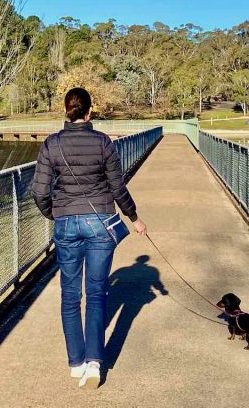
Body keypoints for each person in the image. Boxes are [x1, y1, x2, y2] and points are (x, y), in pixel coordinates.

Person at [31, 87, 148, 389]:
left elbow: (39, 191)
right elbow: (117, 187)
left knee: (70, 296)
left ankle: (76, 362)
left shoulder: (51, 144)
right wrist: (134, 218)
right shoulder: (103, 143)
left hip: (66, 224)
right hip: (100, 224)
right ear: (89, 111)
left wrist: (55, 214)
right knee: (96, 295)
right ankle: (95, 362)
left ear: (66, 110)